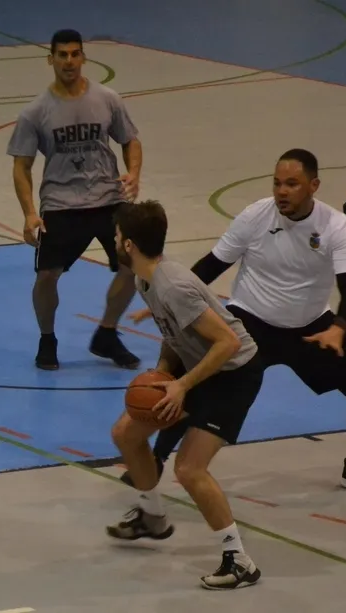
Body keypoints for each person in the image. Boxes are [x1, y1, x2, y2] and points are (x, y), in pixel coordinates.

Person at [121, 149, 346, 500]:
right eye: (277, 183)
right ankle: (157, 459)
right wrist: (168, 298)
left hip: (312, 329)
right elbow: (212, 264)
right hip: (249, 322)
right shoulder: (255, 215)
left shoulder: (335, 226)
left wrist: (339, 327)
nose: (282, 191)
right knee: (188, 384)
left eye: (292, 184)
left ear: (314, 186)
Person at [106, 200, 264, 590]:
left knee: (190, 468)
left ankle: (239, 561)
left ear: (129, 245)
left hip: (233, 375)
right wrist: (164, 371)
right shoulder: (145, 279)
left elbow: (227, 343)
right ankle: (152, 517)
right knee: (126, 434)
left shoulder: (173, 286)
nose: (114, 239)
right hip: (198, 368)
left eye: (116, 235)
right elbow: (174, 333)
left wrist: (182, 385)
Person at [6, 28, 143, 371]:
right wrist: (29, 213)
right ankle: (47, 339)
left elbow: (130, 139)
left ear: (83, 57)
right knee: (46, 276)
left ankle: (107, 333)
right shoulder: (35, 111)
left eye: (75, 54)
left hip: (108, 198)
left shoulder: (107, 98)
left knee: (135, 266)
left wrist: (133, 173)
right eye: (62, 55)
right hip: (61, 203)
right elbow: (21, 167)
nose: (69, 61)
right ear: (50, 59)